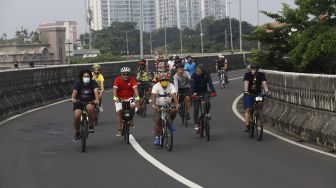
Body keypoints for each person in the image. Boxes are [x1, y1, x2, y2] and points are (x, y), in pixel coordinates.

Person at [70, 69, 100, 142]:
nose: (86, 77)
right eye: (84, 76)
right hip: (79, 102)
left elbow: (96, 90)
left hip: (90, 101)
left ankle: (91, 125)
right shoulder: (78, 83)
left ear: (90, 77)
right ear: (81, 77)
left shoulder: (93, 82)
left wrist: (97, 99)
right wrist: (73, 98)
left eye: (88, 76)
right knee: (77, 115)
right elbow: (75, 91)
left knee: (90, 109)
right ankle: (77, 132)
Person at [151, 73, 179, 145]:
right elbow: (153, 96)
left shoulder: (171, 85)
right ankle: (157, 138)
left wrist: (177, 104)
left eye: (166, 80)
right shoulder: (155, 86)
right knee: (158, 121)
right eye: (163, 80)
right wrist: (154, 105)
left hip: (168, 105)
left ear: (168, 80)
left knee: (174, 110)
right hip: (158, 106)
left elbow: (174, 95)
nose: (165, 81)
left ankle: (171, 122)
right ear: (160, 81)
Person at [113, 67, 140, 136]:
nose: (126, 76)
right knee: (119, 112)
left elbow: (135, 89)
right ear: (121, 74)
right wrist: (115, 97)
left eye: (127, 74)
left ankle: (131, 119)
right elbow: (115, 89)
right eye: (124, 74)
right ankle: (119, 129)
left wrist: (137, 96)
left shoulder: (132, 79)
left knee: (133, 107)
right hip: (119, 98)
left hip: (129, 98)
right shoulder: (117, 79)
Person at [243, 63, 269, 132]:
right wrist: (246, 91)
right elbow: (246, 83)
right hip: (249, 94)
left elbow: (264, 83)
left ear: (257, 69)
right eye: (252, 69)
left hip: (258, 93)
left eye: (254, 69)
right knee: (248, 109)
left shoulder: (261, 75)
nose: (252, 70)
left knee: (260, 104)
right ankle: (248, 125)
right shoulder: (247, 75)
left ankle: (258, 113)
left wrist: (266, 90)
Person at [191, 64, 217, 132]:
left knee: (208, 103)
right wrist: (192, 94)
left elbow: (210, 83)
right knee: (196, 108)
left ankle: (206, 113)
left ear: (202, 71)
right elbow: (192, 85)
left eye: (199, 70)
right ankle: (196, 124)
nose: (197, 72)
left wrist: (213, 92)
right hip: (196, 93)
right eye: (196, 70)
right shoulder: (194, 75)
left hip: (204, 92)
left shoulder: (206, 74)